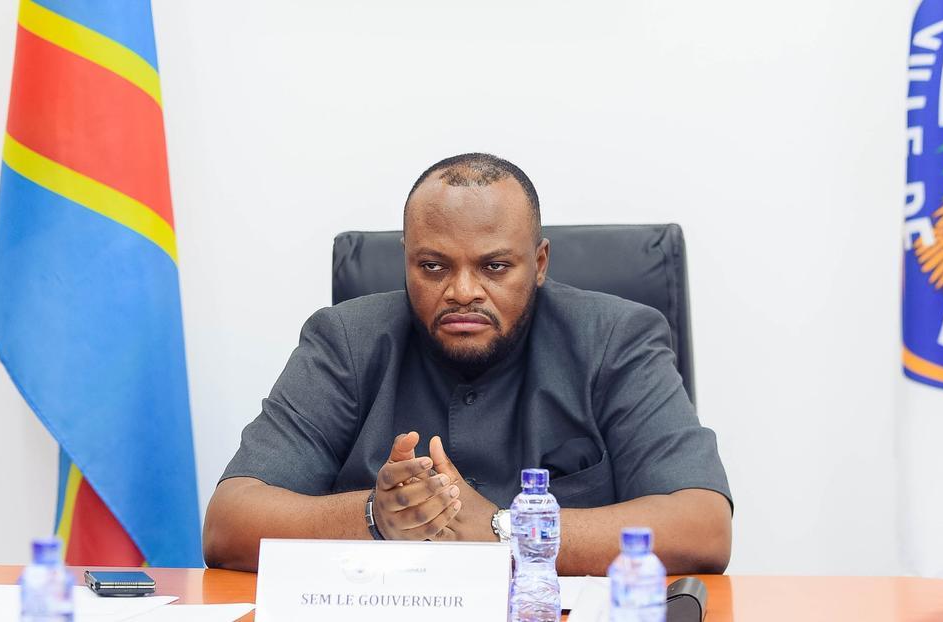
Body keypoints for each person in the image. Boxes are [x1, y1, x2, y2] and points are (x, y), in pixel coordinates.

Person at [204, 153, 732, 575]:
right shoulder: (345, 341)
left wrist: (505, 530)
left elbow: (703, 527)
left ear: (539, 263)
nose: (462, 291)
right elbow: (229, 524)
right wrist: (375, 516)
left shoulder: (616, 339)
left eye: (494, 266)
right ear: (406, 260)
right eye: (433, 266)